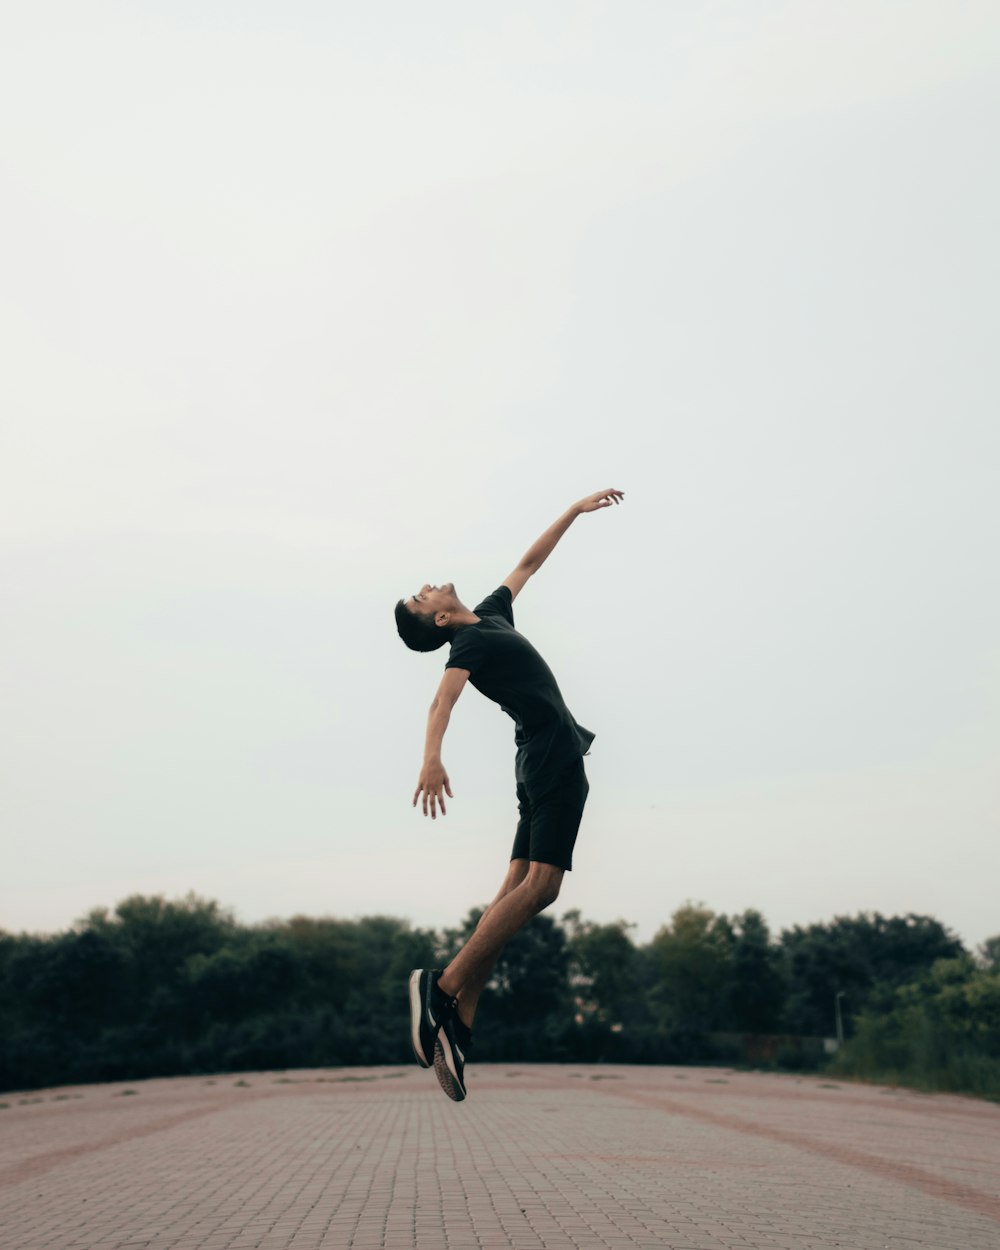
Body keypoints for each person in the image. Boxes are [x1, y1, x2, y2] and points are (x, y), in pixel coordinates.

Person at [393, 487, 624, 1101]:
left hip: (540, 756)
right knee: (542, 888)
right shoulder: (467, 644)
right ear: (439, 620)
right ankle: (439, 992)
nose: (429, 585)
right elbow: (443, 699)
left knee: (514, 890)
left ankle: (458, 1026)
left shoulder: (492, 615)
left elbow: (528, 564)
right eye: (423, 597)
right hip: (551, 757)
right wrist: (431, 759)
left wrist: (573, 512)